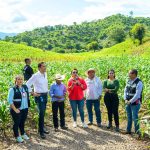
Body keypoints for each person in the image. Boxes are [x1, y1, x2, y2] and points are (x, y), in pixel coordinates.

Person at [26, 62, 49, 139]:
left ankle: (41, 128)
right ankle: (41, 132)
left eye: (45, 66)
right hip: (39, 96)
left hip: (45, 95)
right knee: (41, 113)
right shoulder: (35, 76)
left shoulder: (45, 74)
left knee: (43, 113)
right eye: (43, 66)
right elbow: (27, 85)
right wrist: (32, 93)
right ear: (39, 68)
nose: (45, 68)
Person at [8, 75, 30, 143]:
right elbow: (10, 101)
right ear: (15, 80)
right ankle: (17, 136)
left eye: (21, 79)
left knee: (22, 122)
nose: (20, 80)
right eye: (18, 79)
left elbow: (27, 96)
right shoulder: (13, 89)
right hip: (17, 109)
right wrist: (15, 109)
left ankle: (23, 134)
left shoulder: (25, 87)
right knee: (16, 123)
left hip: (25, 108)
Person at [124, 69, 143, 135]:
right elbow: (125, 90)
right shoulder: (129, 81)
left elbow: (137, 95)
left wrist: (130, 101)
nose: (128, 75)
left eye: (129, 73)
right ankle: (128, 130)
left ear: (134, 74)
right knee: (129, 116)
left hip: (135, 103)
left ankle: (137, 132)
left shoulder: (139, 82)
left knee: (135, 117)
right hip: (127, 102)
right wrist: (125, 99)